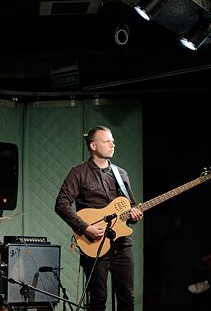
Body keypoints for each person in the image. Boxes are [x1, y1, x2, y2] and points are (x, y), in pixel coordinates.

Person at [54, 125, 143, 311]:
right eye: (107, 141)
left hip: (122, 244)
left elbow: (130, 206)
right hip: (94, 244)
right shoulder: (78, 173)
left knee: (127, 298)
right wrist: (85, 227)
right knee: (98, 299)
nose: (113, 144)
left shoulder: (121, 174)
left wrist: (135, 213)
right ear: (93, 146)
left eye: (113, 141)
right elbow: (61, 204)